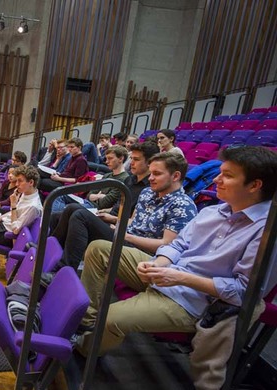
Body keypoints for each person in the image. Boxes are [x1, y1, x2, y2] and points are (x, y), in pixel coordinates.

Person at [77, 146, 277, 376]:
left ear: (254, 185)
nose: (216, 179)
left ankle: (83, 351)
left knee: (111, 318)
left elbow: (244, 293)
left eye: (228, 176)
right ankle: (85, 322)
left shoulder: (267, 234)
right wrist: (159, 263)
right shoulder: (212, 212)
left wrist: (179, 277)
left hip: (192, 301)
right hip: (169, 274)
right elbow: (177, 245)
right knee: (100, 249)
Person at [52, 150, 196, 273]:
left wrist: (125, 236)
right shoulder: (148, 192)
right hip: (126, 237)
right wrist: (115, 221)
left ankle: (62, 270)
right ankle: (50, 252)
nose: (150, 178)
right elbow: (134, 221)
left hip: (141, 252)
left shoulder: (183, 205)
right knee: (73, 208)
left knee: (81, 215)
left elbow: (166, 245)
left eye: (157, 174)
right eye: (151, 173)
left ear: (176, 176)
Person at [51, 145, 129, 212]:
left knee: (69, 208)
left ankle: (54, 219)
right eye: (106, 159)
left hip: (95, 208)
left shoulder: (124, 178)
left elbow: (105, 203)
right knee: (58, 195)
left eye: (110, 158)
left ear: (121, 159)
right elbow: (89, 195)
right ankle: (55, 218)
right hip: (87, 202)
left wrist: (96, 196)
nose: (107, 162)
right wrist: (100, 196)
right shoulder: (107, 175)